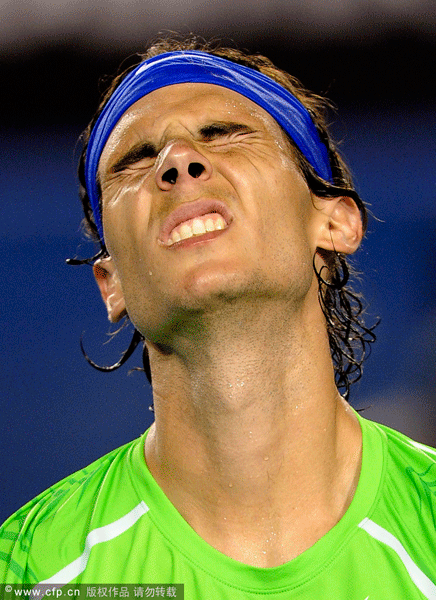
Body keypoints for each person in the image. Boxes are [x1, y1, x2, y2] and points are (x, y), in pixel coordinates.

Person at [1, 37, 436, 598]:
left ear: (335, 222)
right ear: (113, 285)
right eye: (136, 160)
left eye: (225, 135)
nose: (177, 162)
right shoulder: (31, 572)